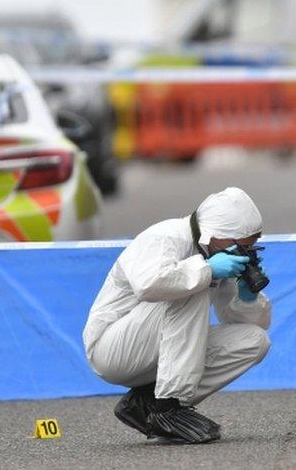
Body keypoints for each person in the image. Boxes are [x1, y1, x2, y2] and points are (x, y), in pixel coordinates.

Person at [83, 187, 271, 444]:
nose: (243, 253)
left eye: (250, 247)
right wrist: (206, 270)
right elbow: (149, 285)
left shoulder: (214, 253)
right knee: (193, 288)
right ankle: (167, 409)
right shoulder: (164, 237)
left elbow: (243, 323)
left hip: (154, 354)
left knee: (255, 341)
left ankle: (146, 402)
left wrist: (247, 298)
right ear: (213, 234)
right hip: (112, 349)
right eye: (239, 245)